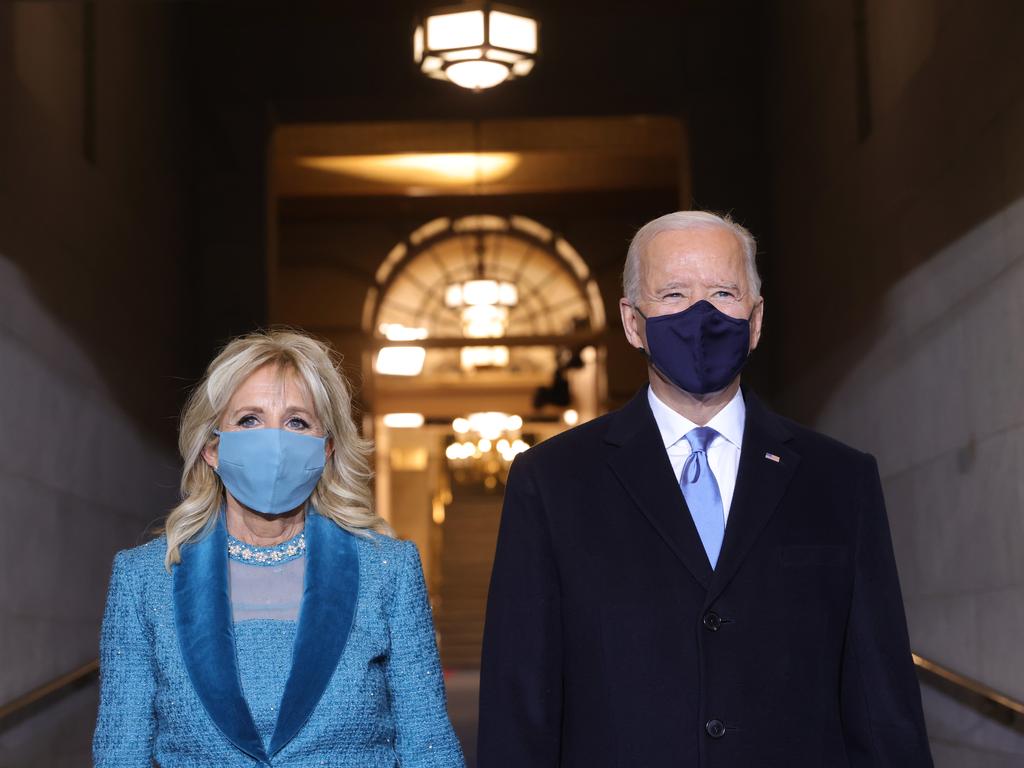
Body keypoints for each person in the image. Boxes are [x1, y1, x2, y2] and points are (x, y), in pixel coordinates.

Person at [477, 211, 933, 767]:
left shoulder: (839, 481)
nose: (701, 315)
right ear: (632, 322)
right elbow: (520, 702)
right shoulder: (551, 482)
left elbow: (881, 703)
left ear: (756, 318)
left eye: (723, 292)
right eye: (672, 293)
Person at [93, 330, 464, 767]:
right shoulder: (144, 579)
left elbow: (430, 747)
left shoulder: (388, 570)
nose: (274, 440)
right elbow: (121, 752)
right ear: (213, 447)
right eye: (249, 419)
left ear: (326, 448)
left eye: (297, 422)